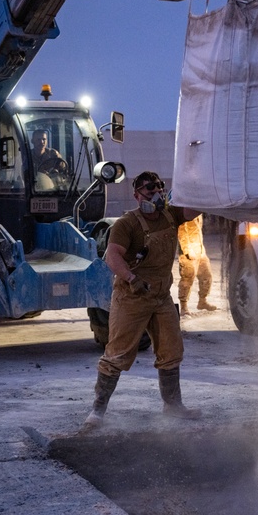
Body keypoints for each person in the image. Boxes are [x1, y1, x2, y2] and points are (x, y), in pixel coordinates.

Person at [80, 171, 203, 432]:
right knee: (118, 354)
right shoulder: (127, 224)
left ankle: (173, 406)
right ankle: (97, 411)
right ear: (137, 195)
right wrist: (131, 277)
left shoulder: (171, 215)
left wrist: (193, 184)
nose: (156, 193)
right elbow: (112, 257)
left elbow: (193, 210)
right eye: (149, 190)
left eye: (159, 188)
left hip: (160, 298)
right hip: (132, 297)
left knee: (171, 351)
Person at [176, 214, 217, 315]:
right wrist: (187, 250)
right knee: (187, 278)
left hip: (199, 248)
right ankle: (183, 306)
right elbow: (181, 229)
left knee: (206, 276)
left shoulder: (197, 212)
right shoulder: (185, 210)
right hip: (189, 250)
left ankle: (202, 301)